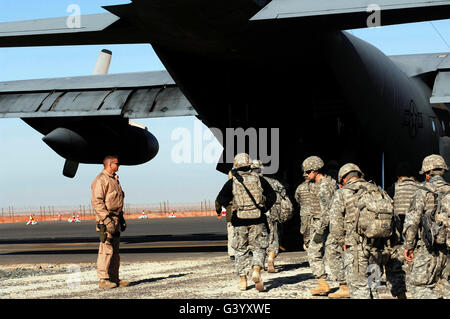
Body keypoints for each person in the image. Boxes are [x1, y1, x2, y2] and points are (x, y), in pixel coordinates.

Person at [329, 163, 392, 299]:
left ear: (344, 179)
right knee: (374, 285)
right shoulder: (377, 190)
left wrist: (341, 242)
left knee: (359, 288)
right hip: (377, 248)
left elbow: (335, 223)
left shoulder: (342, 193)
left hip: (356, 249)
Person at [215, 153, 276, 292]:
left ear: (236, 166)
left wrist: (233, 205)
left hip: (239, 219)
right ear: (249, 165)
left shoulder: (232, 182)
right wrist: (263, 207)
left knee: (241, 250)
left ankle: (243, 281)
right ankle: (256, 269)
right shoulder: (259, 179)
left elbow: (221, 198)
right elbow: (272, 195)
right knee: (259, 247)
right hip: (258, 218)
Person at [403, 154, 450, 299]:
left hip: (430, 249)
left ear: (427, 173)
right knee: (447, 288)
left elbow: (412, 222)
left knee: (419, 286)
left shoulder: (422, 192)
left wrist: (408, 246)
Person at [301, 156, 344, 297]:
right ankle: (330, 284)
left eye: (308, 172)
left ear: (316, 170)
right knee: (331, 254)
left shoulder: (324, 186)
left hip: (326, 225)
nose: (306, 175)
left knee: (318, 253)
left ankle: (336, 285)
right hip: (329, 225)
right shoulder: (327, 183)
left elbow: (327, 211)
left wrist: (319, 232)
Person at [91, 155, 129, 289]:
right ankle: (103, 279)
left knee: (115, 252)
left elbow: (117, 201)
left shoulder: (115, 180)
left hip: (116, 219)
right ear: (110, 164)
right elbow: (97, 202)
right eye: (117, 164)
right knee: (106, 250)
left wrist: (121, 219)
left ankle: (114, 278)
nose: (119, 166)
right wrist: (106, 220)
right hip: (107, 220)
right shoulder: (101, 180)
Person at [384, 162, 418, 299]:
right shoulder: (420, 187)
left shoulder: (394, 188)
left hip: (399, 229)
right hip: (416, 229)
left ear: (398, 176)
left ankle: (400, 290)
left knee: (396, 261)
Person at [251, 160, 291, 273]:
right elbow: (283, 192)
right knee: (273, 236)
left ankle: (258, 264)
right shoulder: (273, 181)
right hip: (272, 213)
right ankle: (270, 258)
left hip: (256, 214)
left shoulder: (248, 183)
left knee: (258, 239)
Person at [295, 177, 316, 251]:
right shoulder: (317, 185)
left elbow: (297, 199)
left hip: (305, 212)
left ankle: (308, 246)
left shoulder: (300, 187)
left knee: (306, 231)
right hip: (316, 211)